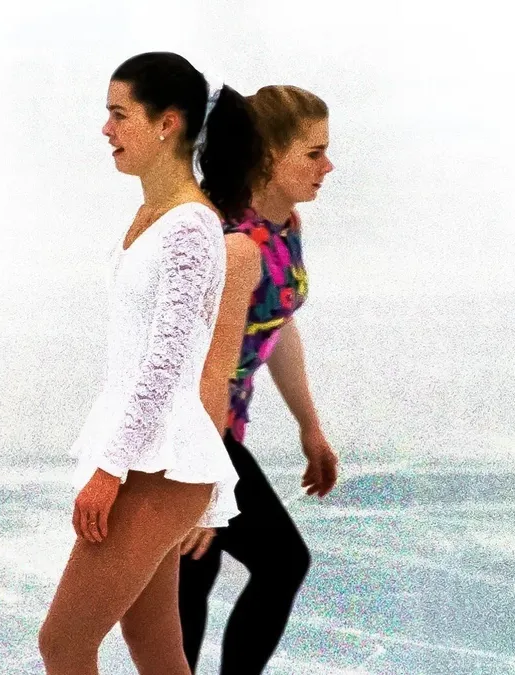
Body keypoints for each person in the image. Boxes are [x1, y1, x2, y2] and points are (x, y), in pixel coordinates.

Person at [38, 52, 266, 675]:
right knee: (155, 645)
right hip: (147, 451)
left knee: (63, 643)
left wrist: (110, 469)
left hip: (158, 463)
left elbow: (166, 364)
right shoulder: (153, 218)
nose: (106, 129)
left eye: (119, 115)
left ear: (167, 123)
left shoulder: (190, 228)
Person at [177, 85, 340, 674]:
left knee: (197, 572)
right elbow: (190, 362)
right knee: (275, 561)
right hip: (187, 430)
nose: (328, 166)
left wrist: (309, 427)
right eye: (313, 153)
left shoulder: (284, 224)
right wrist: (204, 474)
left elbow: (277, 325)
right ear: (269, 156)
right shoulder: (223, 238)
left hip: (222, 428)